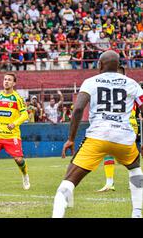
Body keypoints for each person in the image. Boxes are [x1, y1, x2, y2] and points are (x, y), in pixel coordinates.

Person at [52, 51, 143, 218]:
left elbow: (78, 109)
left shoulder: (90, 82)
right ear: (118, 66)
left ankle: (57, 214)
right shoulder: (132, 83)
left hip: (98, 136)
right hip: (124, 137)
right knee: (135, 168)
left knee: (69, 180)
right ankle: (137, 213)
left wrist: (71, 138)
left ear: (100, 65)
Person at [0, 73, 30, 193]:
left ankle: (25, 175)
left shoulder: (17, 98)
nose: (6, 81)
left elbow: (25, 114)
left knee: (18, 160)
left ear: (14, 83)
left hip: (11, 135)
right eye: (5, 79)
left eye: (9, 80)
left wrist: (15, 123)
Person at [97, 65, 141, 192]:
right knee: (108, 152)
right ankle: (109, 183)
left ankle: (133, 183)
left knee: (130, 153)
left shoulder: (131, 86)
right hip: (112, 123)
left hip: (128, 123)